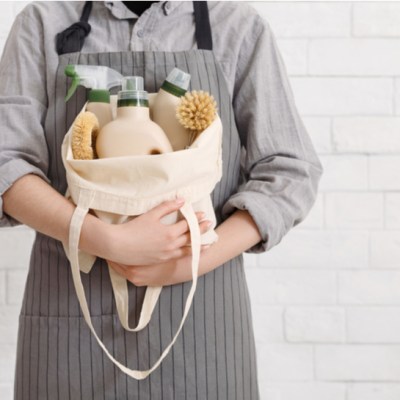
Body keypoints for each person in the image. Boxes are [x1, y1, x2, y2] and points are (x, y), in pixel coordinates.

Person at [0, 1, 323, 399]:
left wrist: (192, 261)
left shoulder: (237, 28)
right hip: (72, 320)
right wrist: (108, 240)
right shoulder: (42, 23)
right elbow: (6, 162)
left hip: (202, 324)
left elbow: (290, 170)